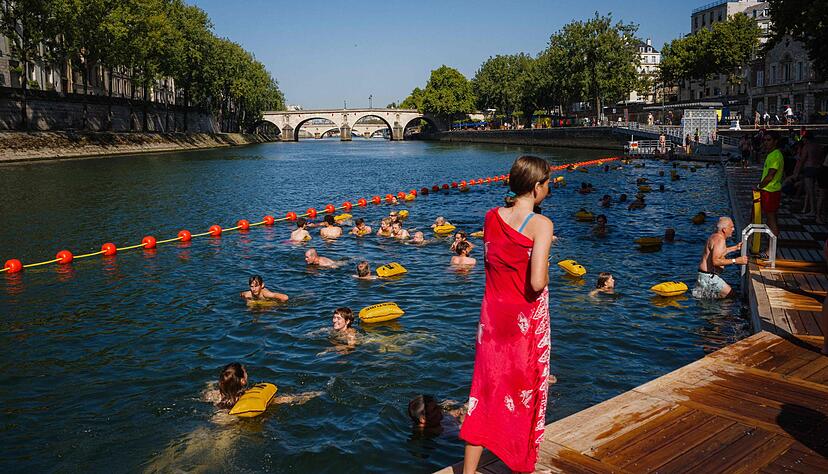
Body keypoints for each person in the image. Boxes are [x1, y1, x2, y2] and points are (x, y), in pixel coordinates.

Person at [460, 155, 554, 474]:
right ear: (537, 187)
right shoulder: (541, 225)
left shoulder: (491, 216)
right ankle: (517, 461)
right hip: (522, 323)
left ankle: (469, 472)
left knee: (484, 391)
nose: (549, 188)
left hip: (490, 319)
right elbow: (536, 282)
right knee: (524, 389)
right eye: (547, 183)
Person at [692, 217, 748, 299]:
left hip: (704, 276)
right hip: (709, 277)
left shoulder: (714, 236)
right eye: (731, 227)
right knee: (732, 295)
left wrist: (735, 248)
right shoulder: (720, 240)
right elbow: (716, 261)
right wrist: (736, 260)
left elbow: (718, 252)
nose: (733, 229)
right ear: (724, 229)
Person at [757, 130, 784, 242]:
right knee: (770, 218)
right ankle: (770, 244)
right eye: (765, 140)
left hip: (770, 191)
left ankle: (771, 249)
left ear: (775, 142)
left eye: (769, 140)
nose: (766, 142)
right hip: (770, 190)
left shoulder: (775, 155)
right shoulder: (772, 154)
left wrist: (759, 186)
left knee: (771, 219)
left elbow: (770, 176)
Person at [795, 132, 825, 218]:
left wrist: (797, 172)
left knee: (810, 191)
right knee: (814, 191)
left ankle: (813, 210)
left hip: (809, 168)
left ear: (806, 139)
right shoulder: (818, 146)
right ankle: (806, 208)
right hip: (818, 168)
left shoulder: (807, 146)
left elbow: (803, 159)